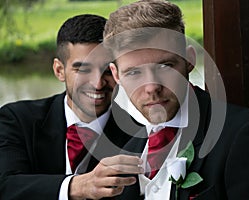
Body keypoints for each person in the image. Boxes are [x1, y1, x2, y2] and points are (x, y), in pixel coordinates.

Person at [103, 0, 249, 199]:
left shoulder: (248, 136)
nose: (152, 87)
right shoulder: (127, 153)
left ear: (189, 59)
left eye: (165, 66)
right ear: (116, 75)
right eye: (134, 72)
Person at [0, 14, 143, 200]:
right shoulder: (16, 119)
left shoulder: (140, 138)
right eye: (83, 70)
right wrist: (78, 186)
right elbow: (5, 186)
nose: (97, 84)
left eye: (107, 71)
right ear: (59, 70)